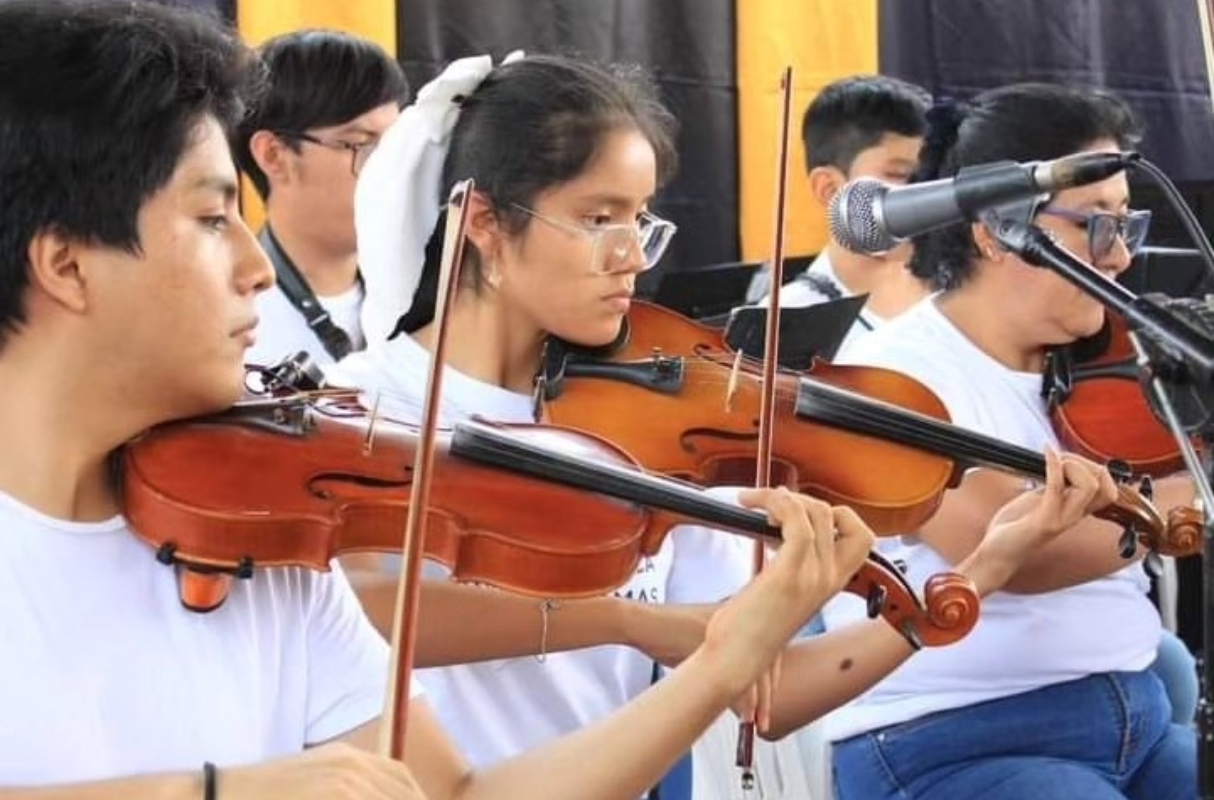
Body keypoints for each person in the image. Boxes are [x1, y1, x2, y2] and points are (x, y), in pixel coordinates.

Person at [0, 3, 878, 797]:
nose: (255, 266)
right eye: (209, 218)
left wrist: (722, 661)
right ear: (67, 263)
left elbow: (461, 797)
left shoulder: (259, 544)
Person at [322, 50, 1125, 794]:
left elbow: (766, 698)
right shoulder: (372, 400)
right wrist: (630, 622)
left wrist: (974, 574)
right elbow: (357, 605)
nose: (634, 254)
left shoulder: (651, 425)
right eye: (601, 218)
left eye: (642, 219)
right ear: (486, 224)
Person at [821, 82, 1199, 800]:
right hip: (953, 742)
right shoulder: (892, 377)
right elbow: (1030, 554)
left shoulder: (1106, 364)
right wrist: (1193, 494)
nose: (1118, 258)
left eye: (1126, 223)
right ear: (995, 230)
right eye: (1094, 224)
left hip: (1136, 724)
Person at [235, 29, 408, 367]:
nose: (394, 170)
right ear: (274, 155)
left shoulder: (429, 302)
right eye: (363, 144)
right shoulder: (226, 323)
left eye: (398, 143)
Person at [745, 74, 932, 356]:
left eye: (931, 177)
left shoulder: (967, 297)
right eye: (900, 175)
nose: (922, 194)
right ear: (830, 188)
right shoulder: (784, 324)